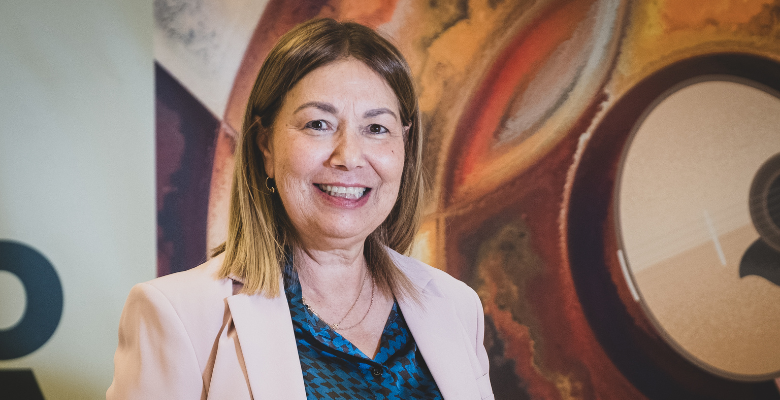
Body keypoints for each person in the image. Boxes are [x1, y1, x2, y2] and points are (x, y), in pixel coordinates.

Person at [107, 18, 494, 400]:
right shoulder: (176, 316)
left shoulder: (458, 306)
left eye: (376, 128)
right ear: (266, 145)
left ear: (404, 147)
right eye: (318, 124)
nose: (348, 157)